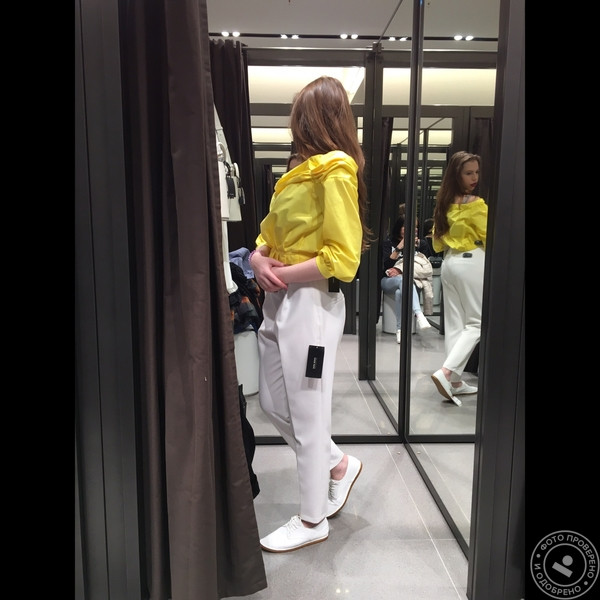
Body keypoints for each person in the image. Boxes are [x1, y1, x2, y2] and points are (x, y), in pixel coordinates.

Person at [249, 76, 371, 553]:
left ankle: (313, 518)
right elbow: (270, 234)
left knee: (306, 410)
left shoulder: (336, 170)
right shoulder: (299, 171)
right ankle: (338, 463)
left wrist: (278, 273)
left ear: (317, 118)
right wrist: (257, 258)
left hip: (310, 302)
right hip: (280, 296)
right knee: (274, 403)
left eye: (301, 114)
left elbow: (343, 257)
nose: (294, 124)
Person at [430, 151, 487, 406]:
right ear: (457, 175)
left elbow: (436, 243)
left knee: (455, 324)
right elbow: (490, 235)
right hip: (471, 260)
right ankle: (446, 372)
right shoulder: (476, 205)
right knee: (476, 323)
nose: (474, 177)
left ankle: (454, 381)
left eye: (476, 172)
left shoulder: (443, 203)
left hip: (449, 263)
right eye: (468, 173)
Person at [381, 217, 432, 343]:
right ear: (399, 228)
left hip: (412, 281)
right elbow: (386, 266)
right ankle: (419, 314)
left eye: (415, 227)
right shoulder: (388, 243)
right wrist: (400, 247)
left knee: (401, 291)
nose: (413, 229)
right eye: (406, 226)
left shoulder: (421, 244)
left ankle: (400, 330)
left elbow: (426, 267)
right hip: (389, 280)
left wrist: (400, 270)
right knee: (402, 281)